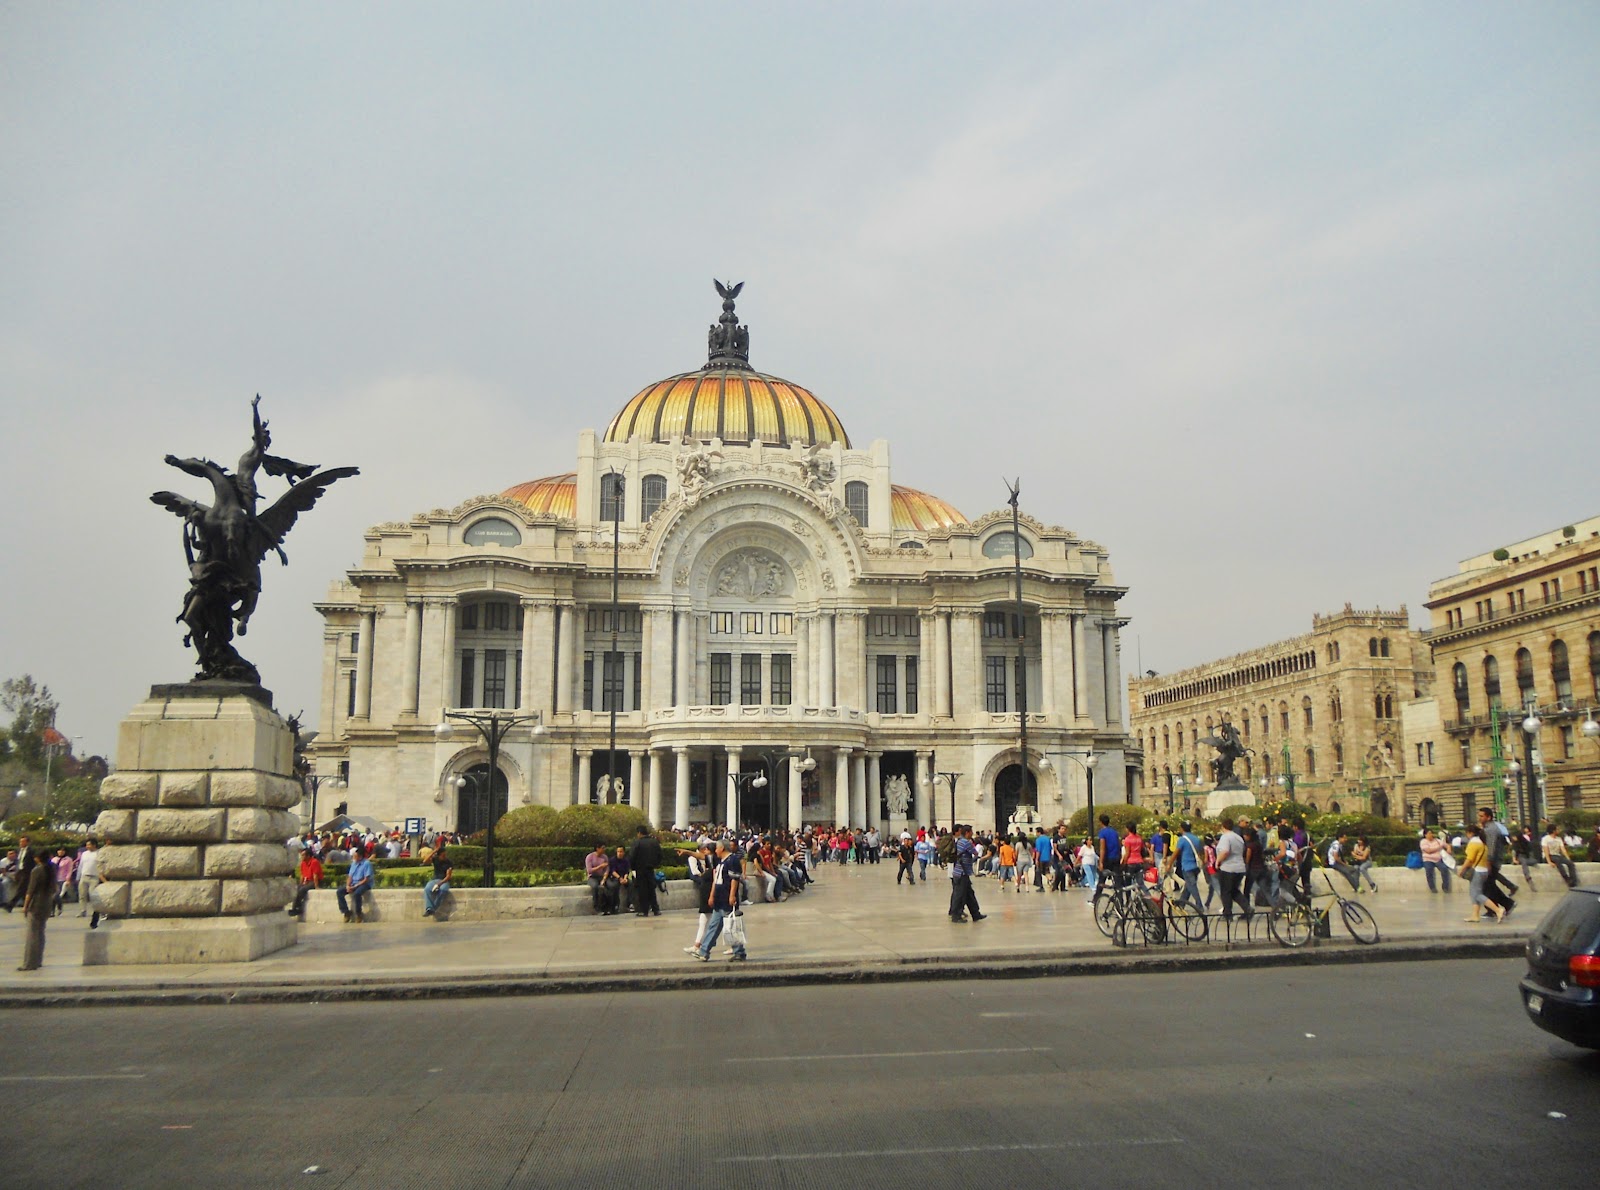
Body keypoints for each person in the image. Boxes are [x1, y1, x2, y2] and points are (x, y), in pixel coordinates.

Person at [693, 840, 746, 961]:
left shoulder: (732, 860)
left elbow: (735, 879)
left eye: (716, 848)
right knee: (714, 926)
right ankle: (704, 951)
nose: (715, 851)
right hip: (719, 897)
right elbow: (716, 879)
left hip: (727, 897)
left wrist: (732, 896)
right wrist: (712, 895)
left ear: (722, 848)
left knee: (731, 926)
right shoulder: (719, 861)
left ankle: (739, 951)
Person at [1460, 824, 1505, 924]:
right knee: (1474, 893)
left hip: (1477, 871)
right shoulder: (1482, 842)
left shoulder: (1473, 843)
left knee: (1477, 894)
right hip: (1483, 870)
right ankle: (1475, 915)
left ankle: (1498, 910)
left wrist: (1462, 870)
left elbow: (1469, 859)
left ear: (1470, 833)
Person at [1478, 807, 1516, 918]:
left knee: (1487, 886)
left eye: (1482, 816)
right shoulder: (1488, 828)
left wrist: (1488, 862)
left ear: (1488, 817)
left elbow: (1491, 847)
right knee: (1489, 886)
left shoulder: (1491, 830)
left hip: (1492, 862)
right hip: (1492, 861)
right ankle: (1504, 905)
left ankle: (1497, 908)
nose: (1479, 818)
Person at [18, 853, 53, 970]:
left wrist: (25, 906)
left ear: (37, 858)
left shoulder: (36, 871)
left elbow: (30, 890)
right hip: (47, 903)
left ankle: (29, 963)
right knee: (41, 932)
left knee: (32, 934)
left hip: (36, 903)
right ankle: (38, 960)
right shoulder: (51, 869)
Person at [1163, 820, 1206, 917]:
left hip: (1187, 866)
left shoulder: (1182, 839)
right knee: (1188, 886)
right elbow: (1201, 851)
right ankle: (1181, 903)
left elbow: (1176, 852)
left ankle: (1199, 905)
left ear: (1182, 829)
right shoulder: (1196, 839)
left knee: (1192, 886)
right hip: (1196, 866)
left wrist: (1169, 864)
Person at [1214, 817, 1250, 922]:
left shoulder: (1225, 837)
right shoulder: (1238, 837)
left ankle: (1227, 914)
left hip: (1228, 868)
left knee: (1225, 891)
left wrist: (1218, 861)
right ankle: (1247, 908)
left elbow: (1225, 851)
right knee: (1234, 891)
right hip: (1239, 867)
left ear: (1223, 826)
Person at [948, 825, 985, 923]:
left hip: (959, 872)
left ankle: (975, 914)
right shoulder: (966, 843)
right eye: (971, 832)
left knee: (969, 895)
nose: (972, 833)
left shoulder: (959, 841)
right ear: (967, 832)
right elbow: (975, 853)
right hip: (962, 873)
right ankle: (956, 916)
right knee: (960, 896)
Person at [684, 842, 714, 955]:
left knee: (717, 922)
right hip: (707, 895)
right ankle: (698, 945)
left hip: (711, 896)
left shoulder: (716, 863)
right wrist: (686, 852)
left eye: (706, 850)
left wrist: (712, 895)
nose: (704, 852)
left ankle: (736, 946)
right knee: (705, 921)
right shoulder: (711, 861)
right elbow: (698, 856)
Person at [628, 825, 663, 917]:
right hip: (650, 869)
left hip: (640, 869)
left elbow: (632, 857)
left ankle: (644, 911)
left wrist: (633, 868)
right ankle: (656, 909)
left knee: (642, 890)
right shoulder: (654, 842)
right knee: (651, 889)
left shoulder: (637, 843)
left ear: (639, 833)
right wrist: (655, 864)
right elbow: (660, 855)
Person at [337, 849, 374, 923]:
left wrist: (355, 886)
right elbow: (350, 876)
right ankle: (346, 912)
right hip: (353, 883)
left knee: (357, 894)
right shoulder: (354, 863)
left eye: (355, 856)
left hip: (364, 884)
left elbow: (366, 879)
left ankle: (358, 913)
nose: (353, 857)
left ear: (360, 857)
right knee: (339, 892)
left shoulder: (366, 863)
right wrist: (348, 885)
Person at [288, 847, 324, 919]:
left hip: (315, 881)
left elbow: (315, 875)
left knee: (302, 890)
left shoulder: (314, 862)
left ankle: (297, 908)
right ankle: (295, 908)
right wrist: (300, 884)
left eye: (303, 855)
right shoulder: (303, 863)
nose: (302, 857)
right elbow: (302, 875)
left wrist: (316, 886)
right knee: (297, 889)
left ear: (308, 856)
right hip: (307, 881)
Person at [3, 834, 35, 911]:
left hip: (27, 872)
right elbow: (18, 861)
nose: (21, 843)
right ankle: (29, 905)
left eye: (23, 842)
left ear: (27, 842)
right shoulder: (19, 851)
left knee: (20, 889)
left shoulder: (31, 851)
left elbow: (33, 862)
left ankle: (10, 905)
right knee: (24, 890)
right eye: (20, 842)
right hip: (20, 872)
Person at [1542, 823, 1579, 888]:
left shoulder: (1559, 839)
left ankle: (1573, 881)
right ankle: (1566, 878)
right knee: (1558, 861)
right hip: (1550, 856)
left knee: (1570, 863)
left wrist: (1568, 858)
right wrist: (1549, 862)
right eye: (1557, 829)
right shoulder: (1545, 839)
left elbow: (1563, 849)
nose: (1559, 830)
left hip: (1557, 855)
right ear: (1553, 831)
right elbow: (1546, 850)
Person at [76, 840, 102, 926]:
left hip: (94, 877)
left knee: (93, 895)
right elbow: (81, 865)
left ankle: (95, 911)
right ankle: (82, 910)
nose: (87, 846)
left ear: (94, 845)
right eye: (87, 845)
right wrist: (78, 876)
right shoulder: (84, 854)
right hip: (84, 876)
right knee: (82, 895)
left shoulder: (99, 853)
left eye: (89, 845)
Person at [422, 844, 453, 917]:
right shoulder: (435, 859)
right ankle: (429, 908)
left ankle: (433, 908)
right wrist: (433, 852)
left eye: (445, 855)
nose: (444, 857)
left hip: (444, 881)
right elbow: (425, 861)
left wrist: (439, 884)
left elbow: (448, 876)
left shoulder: (449, 862)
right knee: (427, 889)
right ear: (439, 856)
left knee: (443, 890)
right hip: (435, 879)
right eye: (443, 855)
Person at [1419, 828, 1451, 893]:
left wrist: (1448, 849)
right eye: (1429, 833)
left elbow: (1447, 845)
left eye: (1431, 833)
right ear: (1425, 835)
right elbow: (1428, 851)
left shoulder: (1437, 841)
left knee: (1444, 869)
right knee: (1429, 870)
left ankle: (1445, 887)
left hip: (1438, 859)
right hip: (1428, 859)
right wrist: (1439, 847)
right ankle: (1432, 887)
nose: (1431, 835)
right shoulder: (1423, 842)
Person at [584, 844, 609, 912]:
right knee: (595, 887)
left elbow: (607, 869)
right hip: (592, 877)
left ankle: (608, 907)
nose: (604, 849)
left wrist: (604, 879)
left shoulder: (605, 857)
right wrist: (600, 866)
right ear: (597, 848)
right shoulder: (590, 857)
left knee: (609, 886)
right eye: (602, 848)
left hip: (601, 877)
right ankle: (597, 906)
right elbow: (589, 870)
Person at [51, 848, 76, 916]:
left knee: (57, 895)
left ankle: (59, 908)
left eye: (62, 851)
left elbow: (70, 870)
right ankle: (52, 911)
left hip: (62, 879)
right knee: (53, 896)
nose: (60, 852)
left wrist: (68, 879)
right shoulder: (54, 859)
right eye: (59, 850)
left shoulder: (68, 859)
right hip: (54, 879)